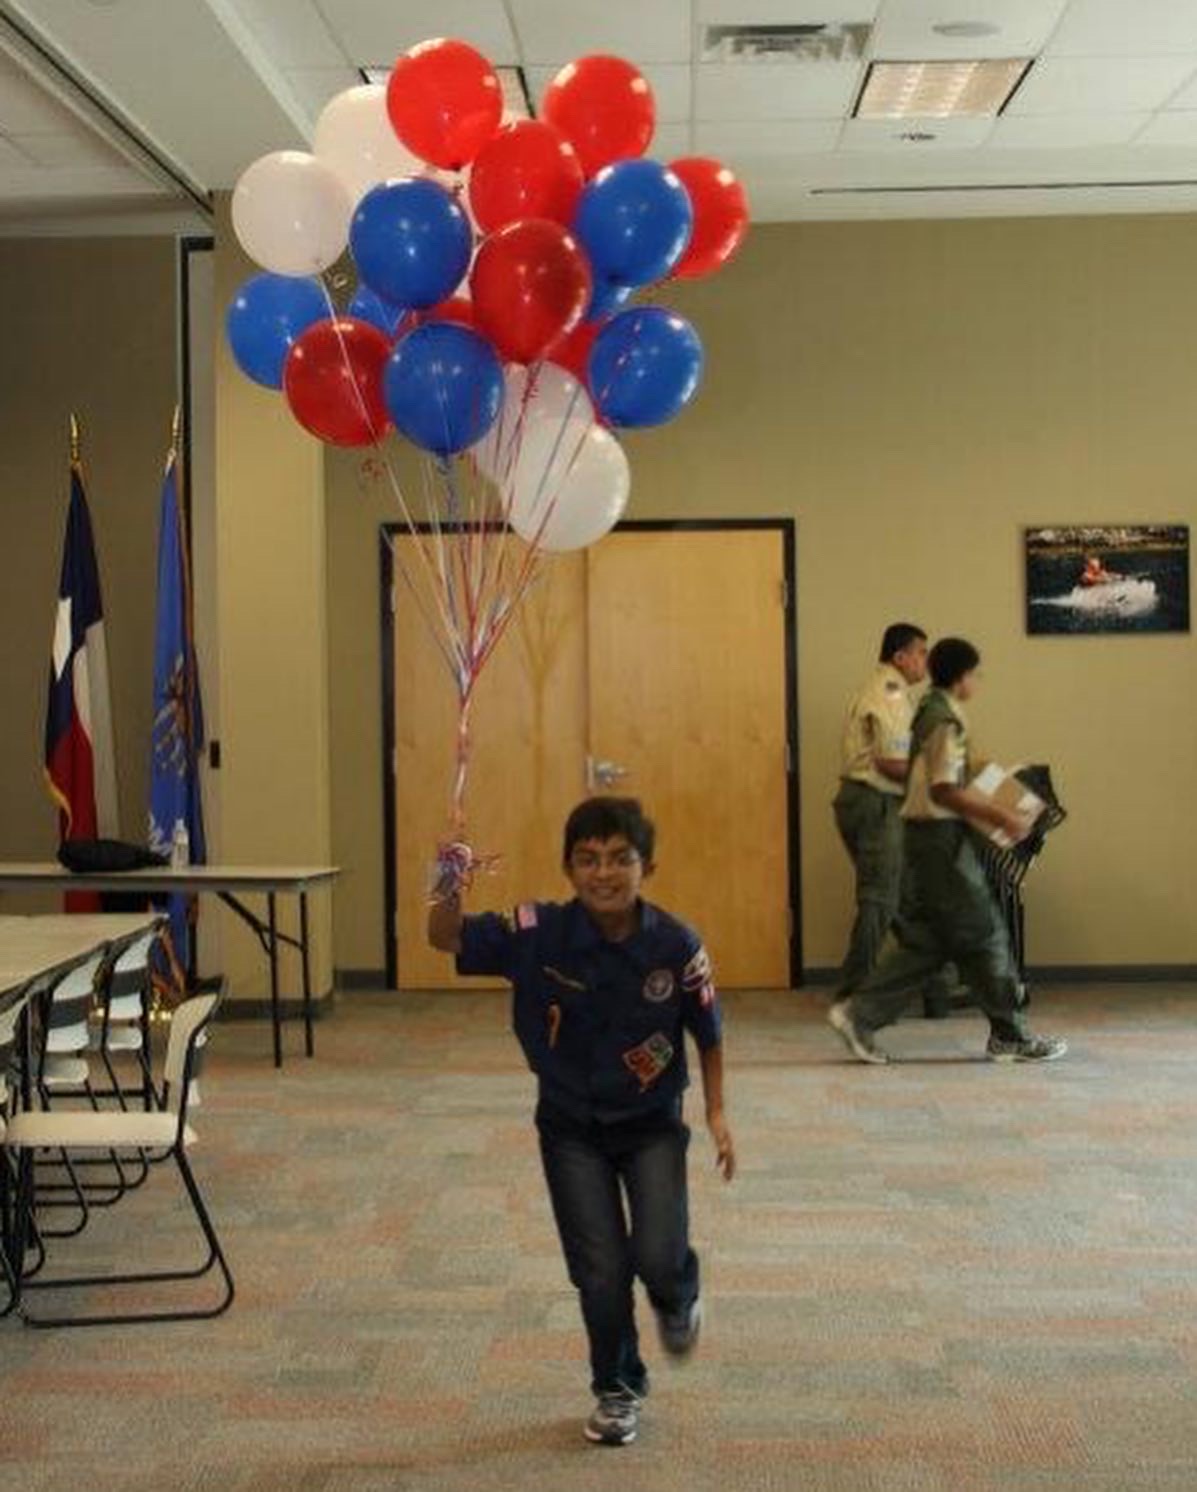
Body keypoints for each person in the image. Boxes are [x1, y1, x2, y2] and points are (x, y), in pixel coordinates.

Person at [427, 796, 734, 1448]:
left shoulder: (675, 945)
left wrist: (716, 1112)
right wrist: (447, 876)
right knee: (599, 1269)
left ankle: (677, 1296)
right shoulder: (537, 931)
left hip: (650, 1123)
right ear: (568, 868)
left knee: (657, 1254)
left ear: (647, 866)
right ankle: (616, 1387)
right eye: (588, 860)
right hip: (570, 1125)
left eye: (620, 859)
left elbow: (707, 1032)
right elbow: (444, 937)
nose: (604, 873)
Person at [828, 637, 1067, 1066]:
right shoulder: (943, 720)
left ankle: (860, 1015)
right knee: (985, 932)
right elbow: (944, 789)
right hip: (940, 841)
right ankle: (1010, 1035)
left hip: (931, 839)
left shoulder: (929, 709)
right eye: (975, 674)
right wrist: (1002, 816)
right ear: (962, 677)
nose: (977, 682)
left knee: (934, 941)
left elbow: (949, 774)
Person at [831, 623, 929, 1003]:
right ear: (900, 657)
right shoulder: (890, 693)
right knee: (880, 899)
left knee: (902, 897)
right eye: (921, 652)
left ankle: (934, 982)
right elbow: (891, 763)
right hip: (875, 802)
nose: (925, 660)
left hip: (867, 801)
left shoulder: (887, 689)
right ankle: (854, 993)